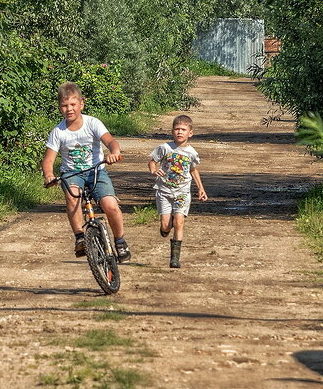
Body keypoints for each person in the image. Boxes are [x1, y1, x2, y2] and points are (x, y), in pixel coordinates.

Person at [42, 82, 131, 262]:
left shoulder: (92, 123)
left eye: (73, 104)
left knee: (110, 205)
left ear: (82, 103)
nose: (69, 109)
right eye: (64, 106)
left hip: (96, 171)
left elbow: (110, 141)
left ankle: (120, 241)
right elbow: (48, 160)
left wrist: (114, 152)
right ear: (59, 107)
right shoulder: (58, 132)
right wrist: (49, 175)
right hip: (72, 173)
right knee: (73, 195)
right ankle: (80, 237)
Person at [148, 114, 208, 268]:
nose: (180, 132)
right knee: (166, 225)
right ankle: (166, 229)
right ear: (172, 131)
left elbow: (193, 170)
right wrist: (154, 170)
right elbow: (152, 162)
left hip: (182, 192)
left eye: (183, 129)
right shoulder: (165, 148)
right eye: (177, 129)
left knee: (179, 221)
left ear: (190, 133)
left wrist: (201, 188)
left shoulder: (192, 153)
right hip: (164, 191)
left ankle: (175, 258)